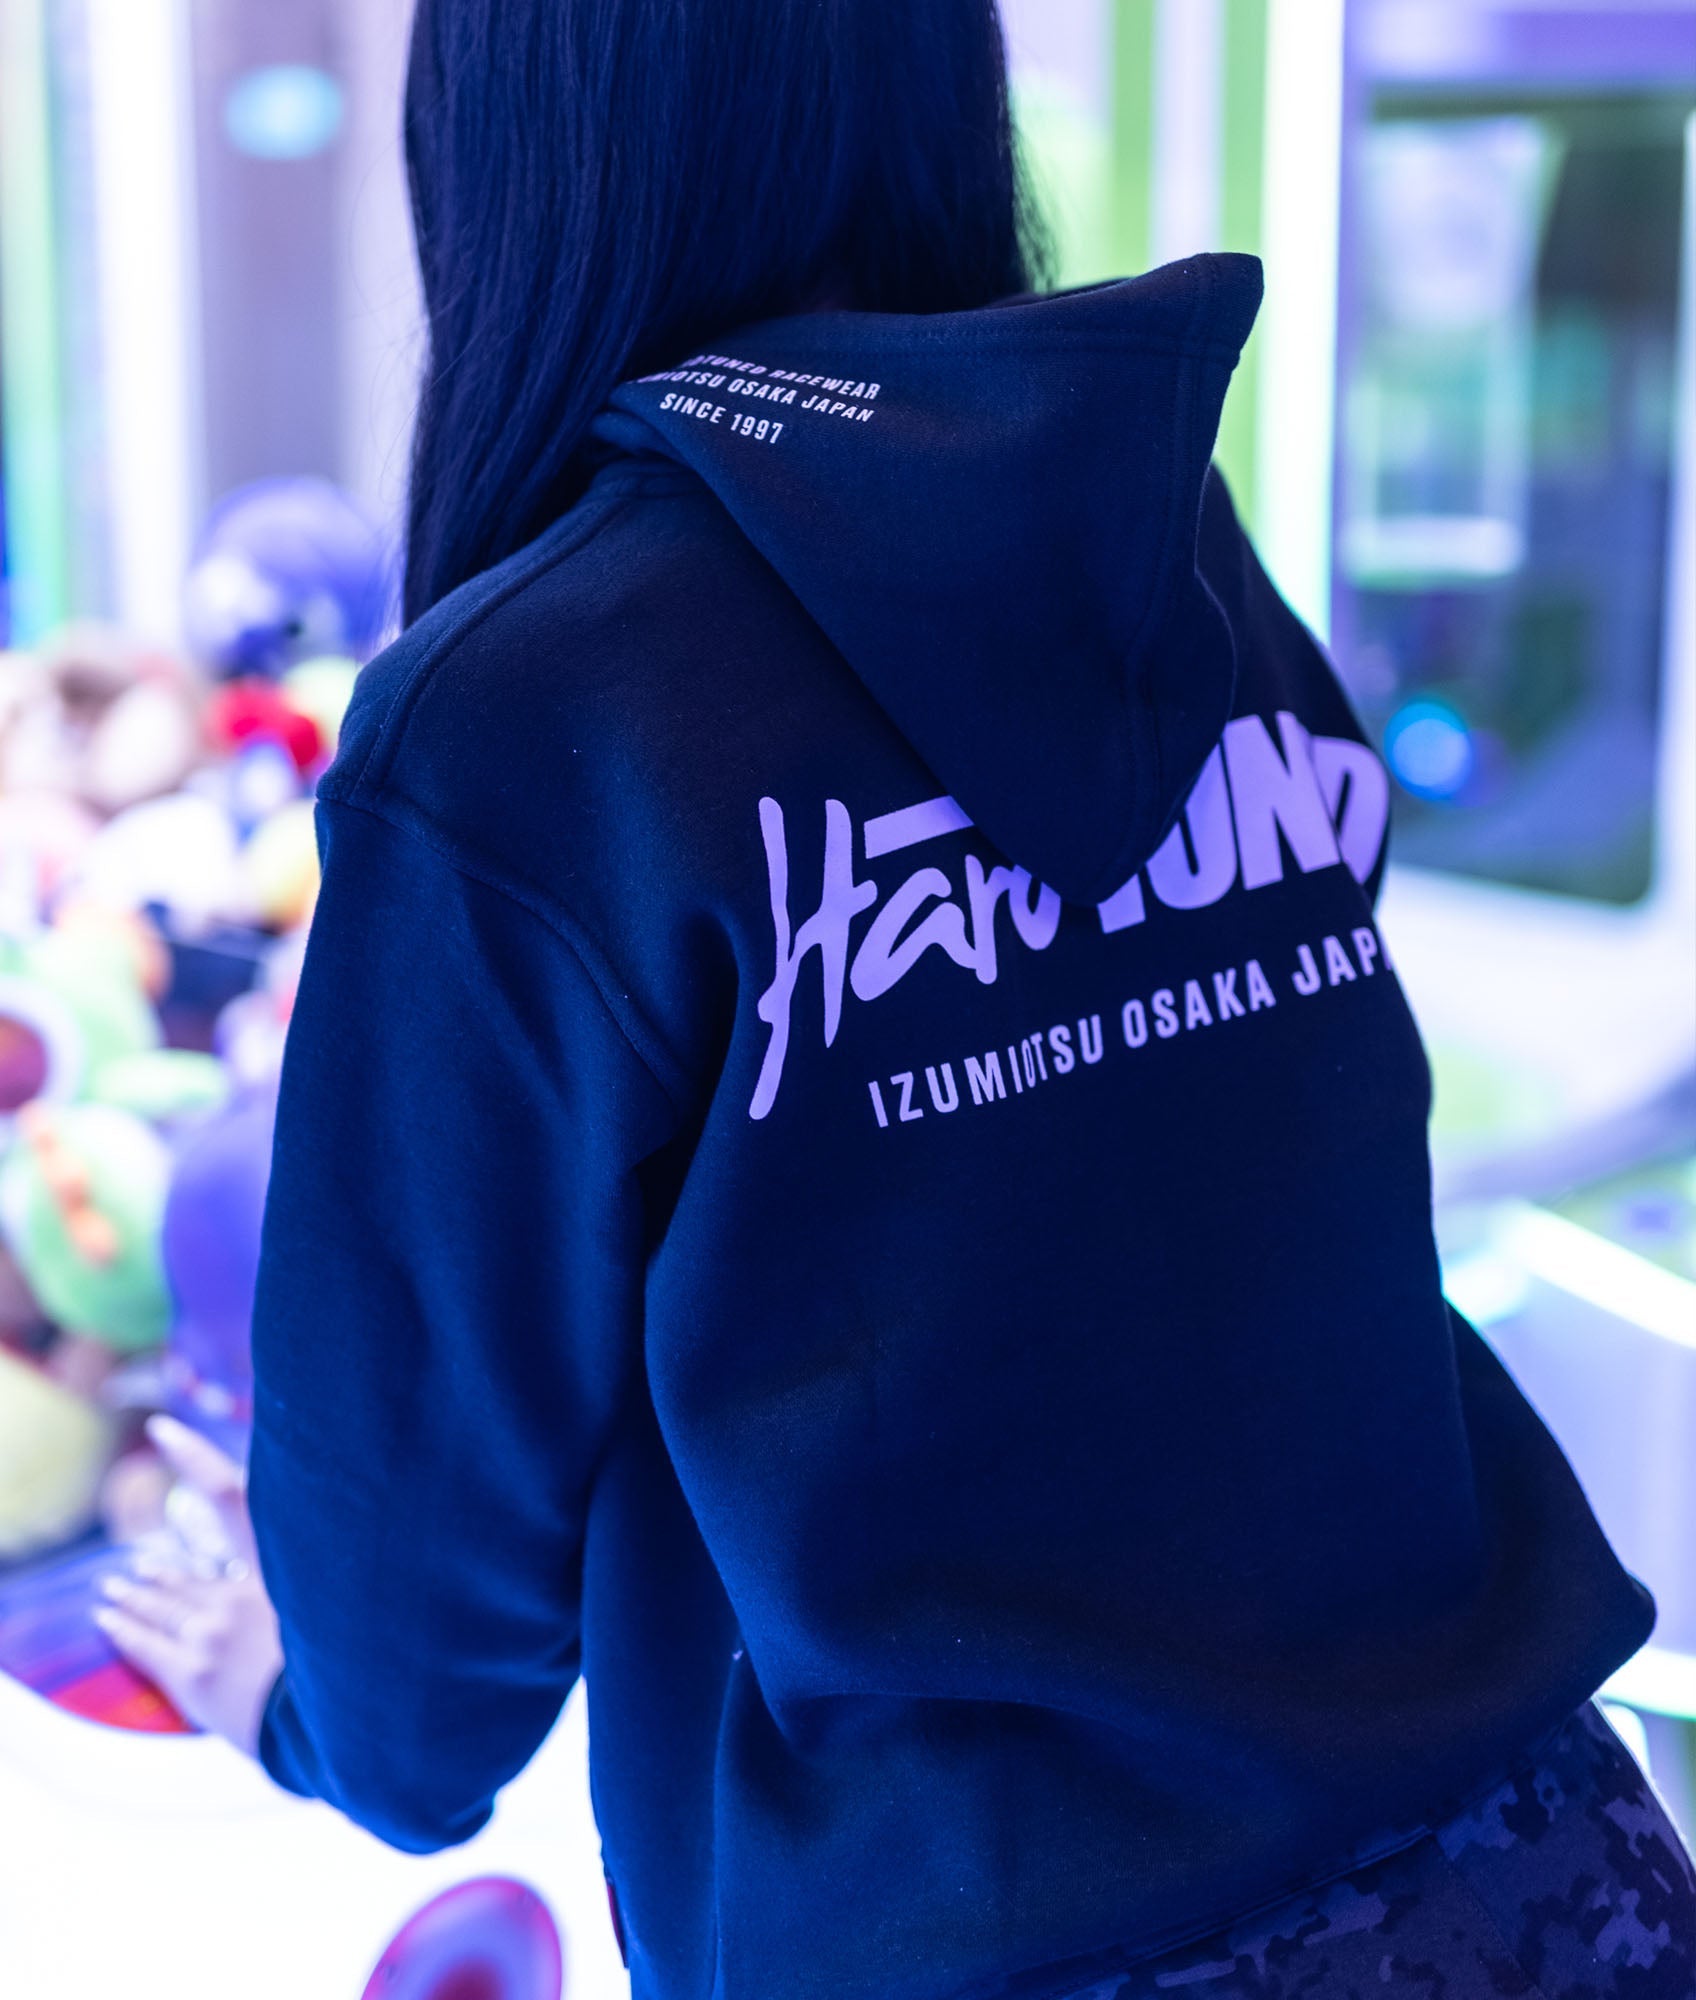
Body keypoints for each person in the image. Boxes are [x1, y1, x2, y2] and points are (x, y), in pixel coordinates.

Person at [98, 2, 1696, 1995]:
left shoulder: (527, 717)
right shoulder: (1170, 551)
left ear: (513, 150)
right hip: (1560, 1872)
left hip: (1002, 1933)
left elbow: (416, 1637)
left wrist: (300, 1702)